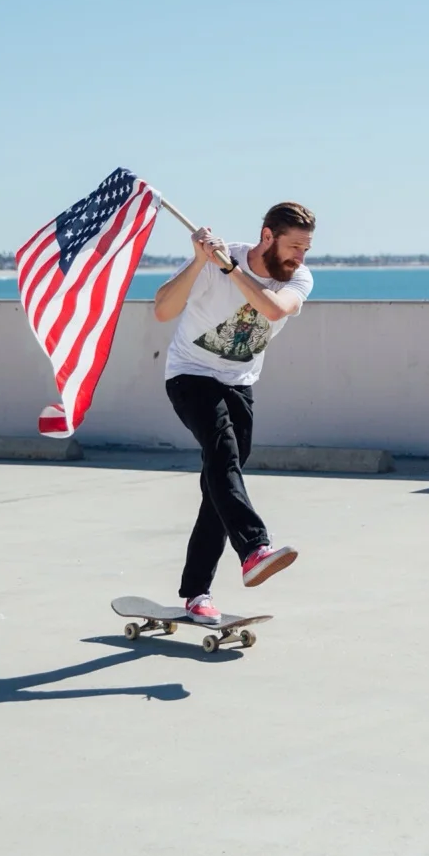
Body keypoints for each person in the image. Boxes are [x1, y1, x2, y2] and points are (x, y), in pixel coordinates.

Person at [150, 201, 316, 619]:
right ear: (267, 237)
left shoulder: (298, 279)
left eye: (306, 248)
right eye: (294, 246)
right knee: (222, 454)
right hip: (190, 374)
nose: (300, 257)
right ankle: (254, 548)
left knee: (220, 486)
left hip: (239, 383)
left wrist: (230, 271)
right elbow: (162, 310)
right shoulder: (216, 262)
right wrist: (198, 262)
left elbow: (275, 309)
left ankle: (196, 593)